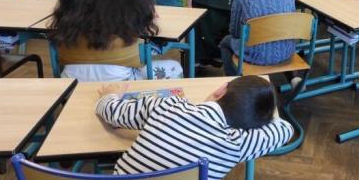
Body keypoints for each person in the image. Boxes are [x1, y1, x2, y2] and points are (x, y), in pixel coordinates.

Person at [95, 76, 294, 180]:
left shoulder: (168, 105)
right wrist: (264, 113)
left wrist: (110, 95)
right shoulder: (238, 144)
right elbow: (285, 129)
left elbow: (111, 112)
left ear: (221, 90)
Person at [47, 0, 182, 81]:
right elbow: (147, 43)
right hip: (120, 86)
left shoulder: (68, 6)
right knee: (175, 68)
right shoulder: (135, 6)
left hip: (72, 85)